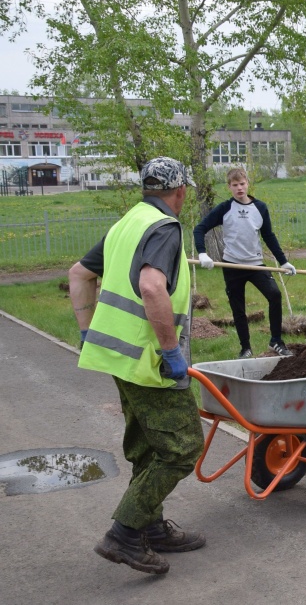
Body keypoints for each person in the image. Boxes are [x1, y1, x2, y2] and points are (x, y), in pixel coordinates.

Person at [69, 157, 205, 575]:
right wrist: (170, 352)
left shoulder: (128, 222)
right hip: (149, 363)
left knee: (147, 447)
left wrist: (87, 330)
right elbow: (150, 285)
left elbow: (78, 273)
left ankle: (151, 526)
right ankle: (124, 534)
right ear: (180, 192)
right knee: (182, 449)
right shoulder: (164, 228)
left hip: (118, 358)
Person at [193, 168, 296, 359]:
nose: (239, 188)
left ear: (247, 183)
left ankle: (276, 341)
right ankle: (245, 348)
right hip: (232, 265)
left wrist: (284, 262)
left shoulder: (260, 208)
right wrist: (202, 253)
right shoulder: (225, 208)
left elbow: (269, 236)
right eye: (235, 185)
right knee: (238, 307)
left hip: (255, 264)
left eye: (242, 184)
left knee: (274, 295)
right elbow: (200, 229)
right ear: (229, 187)